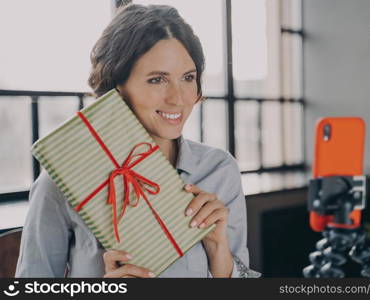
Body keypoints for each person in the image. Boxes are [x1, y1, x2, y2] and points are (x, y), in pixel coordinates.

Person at [15, 3, 261, 278]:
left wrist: (219, 251)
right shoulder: (61, 182)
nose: (178, 98)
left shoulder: (219, 170)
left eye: (188, 78)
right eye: (157, 80)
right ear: (116, 86)